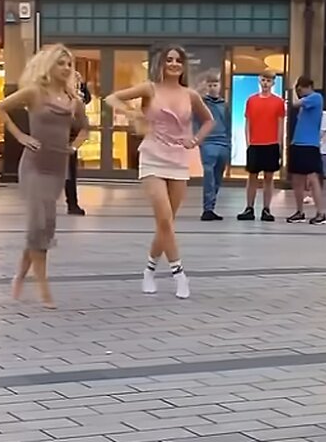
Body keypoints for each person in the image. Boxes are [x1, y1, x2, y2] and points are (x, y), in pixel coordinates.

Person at [105, 45, 214, 299]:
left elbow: (209, 120)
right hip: (152, 156)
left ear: (183, 65)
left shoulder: (191, 95)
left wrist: (195, 140)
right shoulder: (149, 88)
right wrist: (133, 114)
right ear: (162, 64)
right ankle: (179, 275)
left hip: (178, 159)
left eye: (178, 60)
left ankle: (149, 270)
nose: (174, 64)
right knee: (164, 219)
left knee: (167, 224)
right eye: (169, 60)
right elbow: (111, 98)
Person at [0, 44, 90, 309]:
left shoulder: (74, 100)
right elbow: (0, 108)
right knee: (38, 222)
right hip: (34, 166)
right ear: (49, 65)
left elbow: (85, 129)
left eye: (70, 64)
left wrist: (73, 147)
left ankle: (19, 277)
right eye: (61, 63)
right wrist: (21, 136)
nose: (67, 68)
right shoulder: (34, 93)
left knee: (44, 227)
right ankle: (43, 288)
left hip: (57, 168)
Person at [237, 70, 286, 222]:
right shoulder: (251, 100)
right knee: (252, 176)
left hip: (271, 143)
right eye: (264, 80)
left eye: (269, 81)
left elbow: (280, 124)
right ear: (259, 81)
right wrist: (248, 142)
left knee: (269, 177)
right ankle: (249, 207)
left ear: (273, 83)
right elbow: (248, 122)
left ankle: (266, 208)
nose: (266, 83)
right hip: (255, 143)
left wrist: (279, 144)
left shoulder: (278, 102)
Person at [286, 76, 326, 225]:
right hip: (298, 143)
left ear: (308, 86)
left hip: (309, 145)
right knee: (297, 180)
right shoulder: (307, 103)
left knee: (313, 178)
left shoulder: (315, 97)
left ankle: (320, 212)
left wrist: (291, 90)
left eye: (300, 88)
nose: (299, 91)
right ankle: (299, 211)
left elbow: (295, 103)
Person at [196, 69, 232, 221]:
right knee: (209, 176)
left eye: (215, 84)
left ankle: (212, 206)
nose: (212, 87)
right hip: (208, 142)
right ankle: (207, 208)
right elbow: (196, 120)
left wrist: (229, 143)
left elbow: (228, 124)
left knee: (217, 177)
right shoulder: (202, 104)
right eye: (210, 85)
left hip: (222, 142)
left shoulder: (224, 105)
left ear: (219, 86)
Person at [66, 74, 91, 216]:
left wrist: (74, 146)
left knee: (69, 174)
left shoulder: (77, 101)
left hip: (69, 141)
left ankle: (72, 203)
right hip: (50, 142)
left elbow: (85, 128)